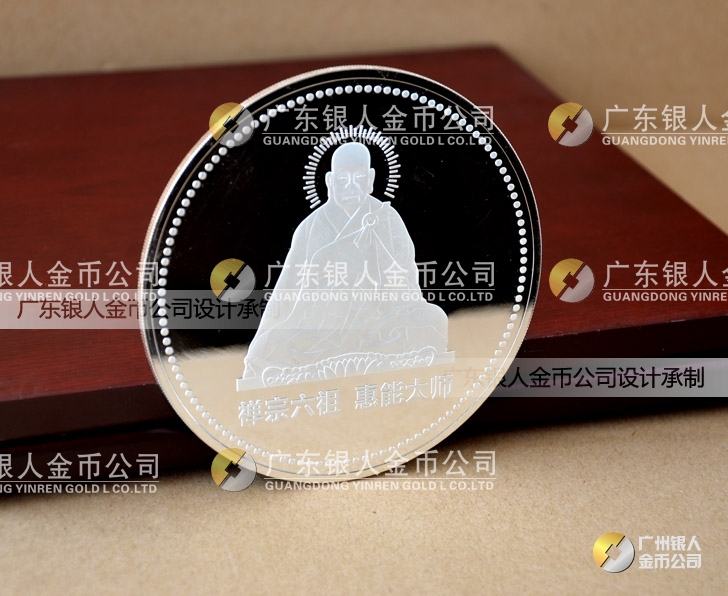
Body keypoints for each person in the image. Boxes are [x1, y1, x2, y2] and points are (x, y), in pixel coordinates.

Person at [239, 142, 450, 389]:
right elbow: (286, 292)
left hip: (376, 326)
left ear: (370, 180)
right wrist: (263, 338)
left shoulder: (387, 219)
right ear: (330, 181)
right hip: (322, 330)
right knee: (270, 345)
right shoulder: (310, 228)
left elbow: (407, 284)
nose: (350, 185)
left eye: (359, 177)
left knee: (432, 319)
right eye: (342, 178)